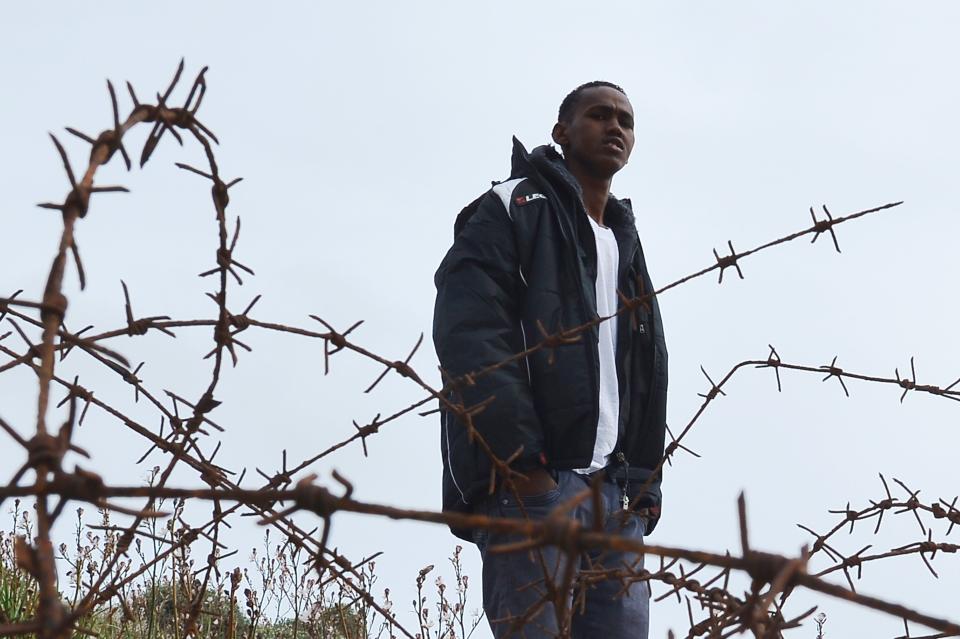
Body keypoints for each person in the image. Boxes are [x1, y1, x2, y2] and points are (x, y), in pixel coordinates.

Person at [433, 81, 668, 638]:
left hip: (614, 498)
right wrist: (523, 465)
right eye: (600, 115)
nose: (616, 127)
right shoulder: (511, 207)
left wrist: (642, 487)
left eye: (626, 121)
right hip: (537, 487)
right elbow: (470, 333)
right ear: (562, 132)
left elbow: (644, 368)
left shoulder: (624, 239)